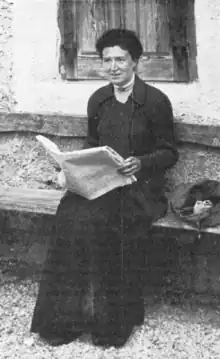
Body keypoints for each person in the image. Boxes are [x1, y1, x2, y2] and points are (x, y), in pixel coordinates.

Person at [30, 28, 179, 348]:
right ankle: (65, 320)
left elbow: (169, 152)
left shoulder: (155, 101)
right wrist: (72, 169)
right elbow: (92, 145)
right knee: (69, 216)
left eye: (120, 60)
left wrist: (141, 162)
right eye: (107, 60)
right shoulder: (98, 99)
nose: (113, 66)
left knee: (105, 222)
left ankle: (110, 324)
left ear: (135, 62)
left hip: (139, 190)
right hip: (101, 184)